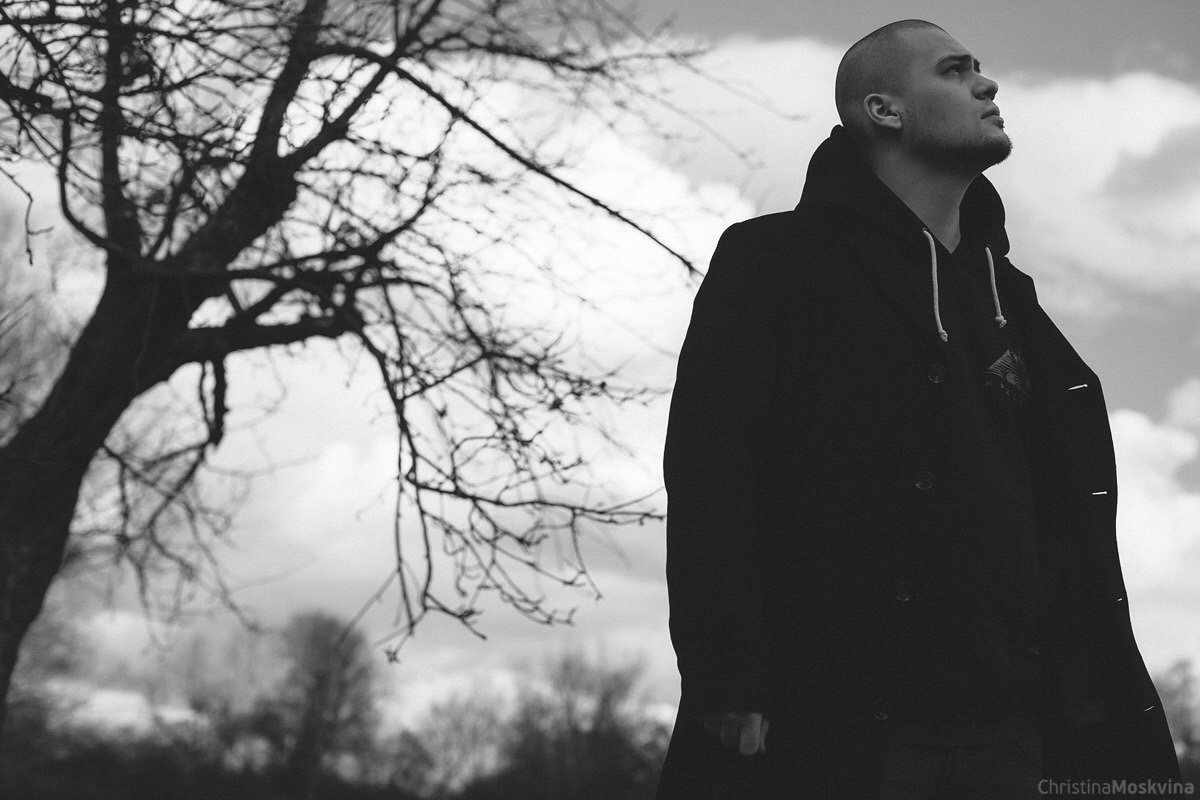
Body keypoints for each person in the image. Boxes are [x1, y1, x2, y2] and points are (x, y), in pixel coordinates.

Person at [656, 19, 1181, 800]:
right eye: (954, 70)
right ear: (885, 109)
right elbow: (711, 472)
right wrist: (728, 674)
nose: (986, 83)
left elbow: (1055, 514)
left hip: (1019, 731)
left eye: (979, 69)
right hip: (840, 724)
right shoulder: (775, 263)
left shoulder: (1011, 299)